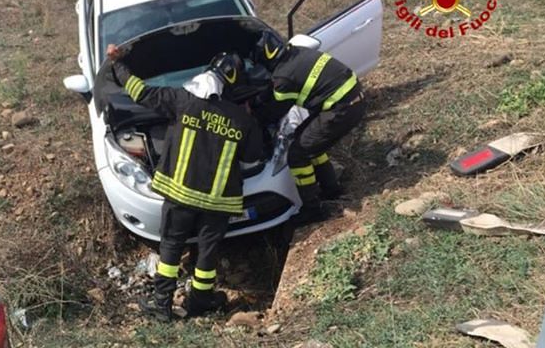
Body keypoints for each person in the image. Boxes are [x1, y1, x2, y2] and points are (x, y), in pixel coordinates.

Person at [106, 44, 263, 321]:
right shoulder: (243, 120)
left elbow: (139, 91)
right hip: (218, 202)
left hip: (180, 195)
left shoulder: (182, 100)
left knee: (171, 247)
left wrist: (118, 64)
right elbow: (253, 157)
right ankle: (201, 301)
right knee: (208, 254)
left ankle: (162, 305)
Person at [251, 31, 366, 214]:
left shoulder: (283, 79)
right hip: (352, 99)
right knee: (307, 142)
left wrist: (255, 114)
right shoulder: (298, 52)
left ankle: (312, 208)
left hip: (341, 110)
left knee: (297, 154)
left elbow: (274, 111)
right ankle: (332, 190)